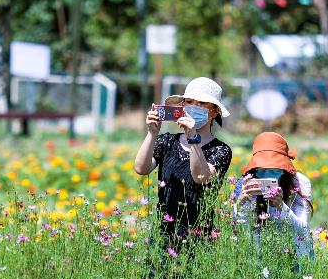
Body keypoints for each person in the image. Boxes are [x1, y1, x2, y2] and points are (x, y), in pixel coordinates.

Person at [133, 77, 233, 251]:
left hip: (198, 236)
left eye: (201, 103)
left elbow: (201, 176)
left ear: (214, 112)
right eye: (189, 102)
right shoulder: (167, 141)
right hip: (163, 231)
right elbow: (141, 168)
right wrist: (152, 133)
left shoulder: (221, 150)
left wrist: (193, 137)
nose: (194, 106)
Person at [232, 132, 315, 261]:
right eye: (262, 169)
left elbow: (302, 229)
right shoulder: (245, 183)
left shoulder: (300, 182)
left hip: (295, 252)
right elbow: (238, 229)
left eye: (274, 169)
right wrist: (241, 203)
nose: (267, 174)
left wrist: (281, 206)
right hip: (257, 253)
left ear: (284, 168)